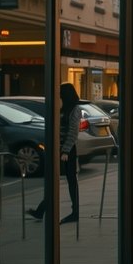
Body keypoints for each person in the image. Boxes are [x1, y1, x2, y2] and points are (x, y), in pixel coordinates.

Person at [27, 81, 85, 224]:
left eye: (61, 94)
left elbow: (73, 132)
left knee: (71, 181)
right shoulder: (63, 108)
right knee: (54, 181)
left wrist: (65, 150)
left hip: (67, 151)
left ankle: (74, 212)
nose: (58, 97)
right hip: (58, 149)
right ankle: (41, 211)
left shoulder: (75, 110)